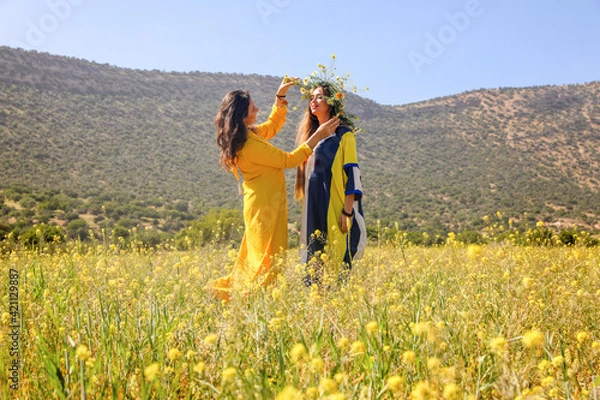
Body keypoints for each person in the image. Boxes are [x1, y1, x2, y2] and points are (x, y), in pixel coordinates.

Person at [212, 78, 340, 301]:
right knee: (265, 257)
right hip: (263, 208)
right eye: (253, 108)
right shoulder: (248, 146)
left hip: (269, 204)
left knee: (268, 256)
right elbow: (288, 160)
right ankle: (246, 298)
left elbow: (272, 126)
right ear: (243, 115)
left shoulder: (249, 134)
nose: (257, 109)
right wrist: (317, 135)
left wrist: (280, 97)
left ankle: (254, 298)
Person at [295, 82, 367, 287]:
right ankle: (314, 297)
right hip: (313, 204)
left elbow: (352, 172)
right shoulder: (311, 138)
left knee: (336, 251)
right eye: (311, 98)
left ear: (331, 102)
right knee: (313, 249)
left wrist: (347, 211)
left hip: (335, 204)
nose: (313, 101)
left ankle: (335, 294)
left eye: (319, 97)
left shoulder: (344, 134)